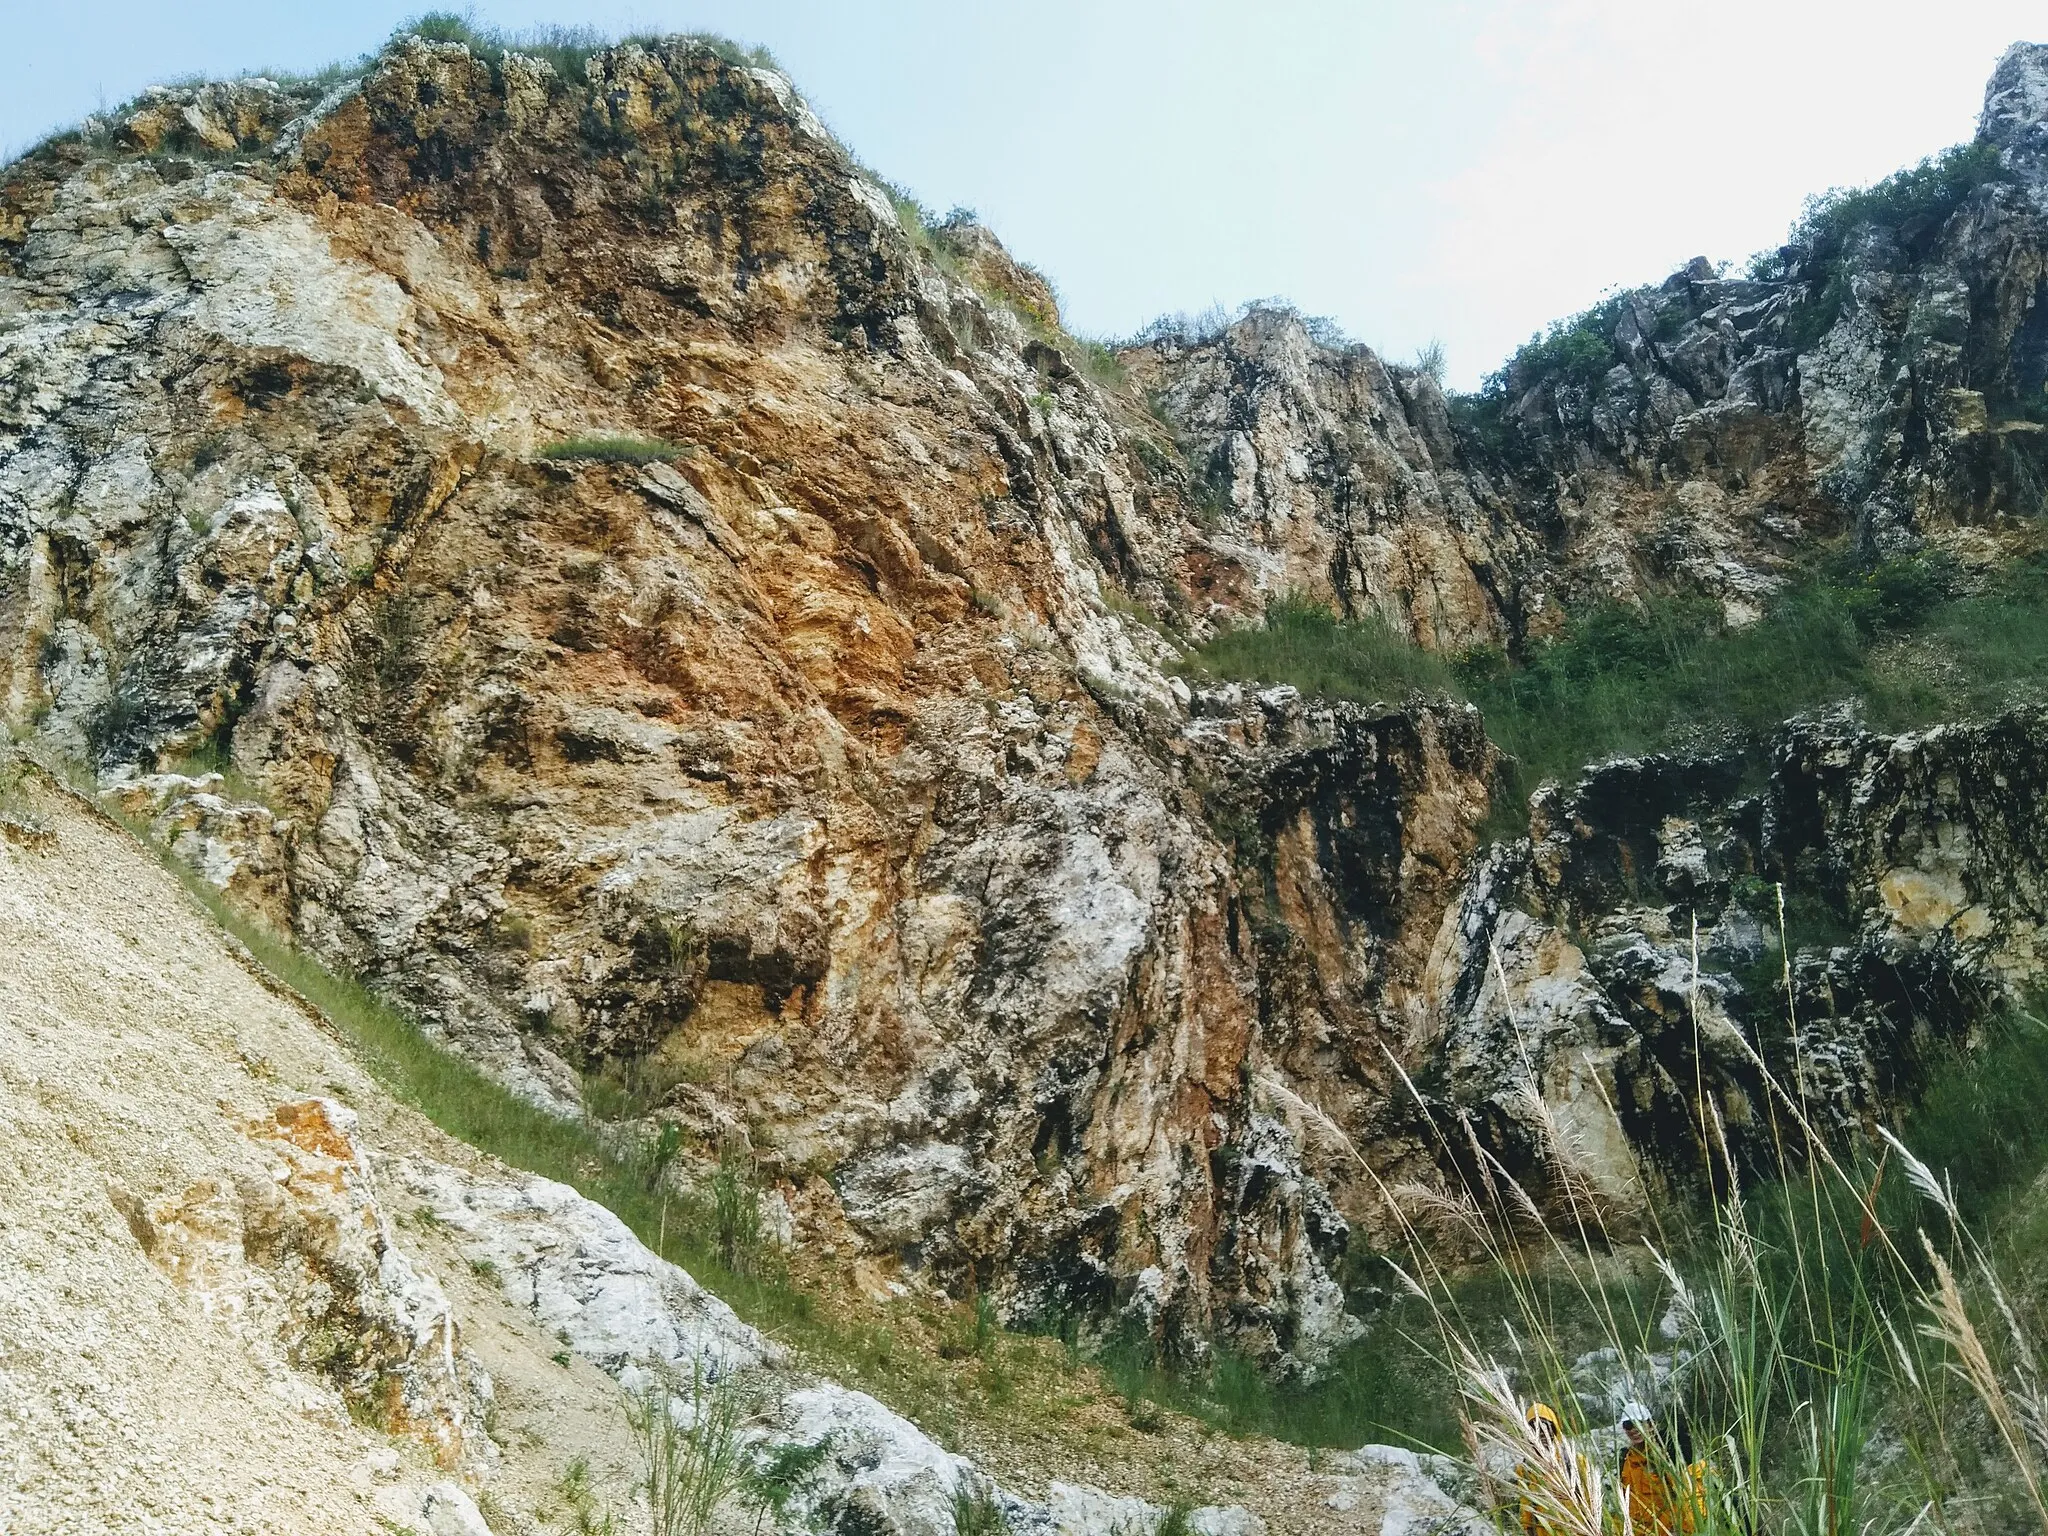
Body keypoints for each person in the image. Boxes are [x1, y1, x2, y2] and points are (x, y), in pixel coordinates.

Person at [1616, 1403, 1677, 1536]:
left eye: (1640, 1423)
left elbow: (1683, 1495)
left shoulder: (1664, 1455)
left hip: (1666, 1530)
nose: (1634, 1429)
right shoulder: (1624, 1459)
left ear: (1651, 1424)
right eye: (1628, 1425)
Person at [1518, 1402, 1570, 1536]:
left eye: (1544, 1426)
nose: (1540, 1433)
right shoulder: (1526, 1469)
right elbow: (1526, 1511)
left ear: (1554, 1428)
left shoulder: (1573, 1461)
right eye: (1533, 1428)